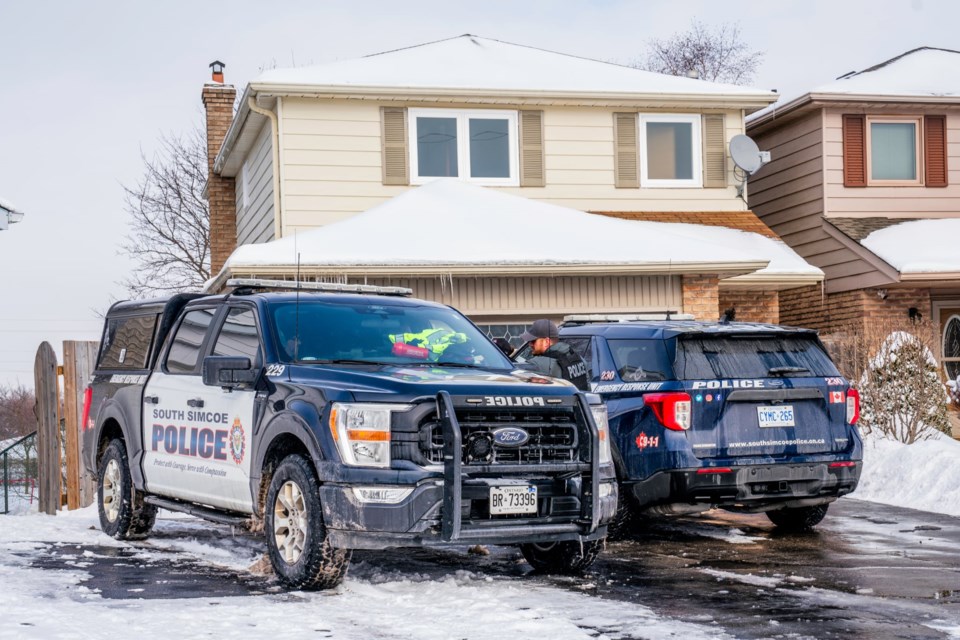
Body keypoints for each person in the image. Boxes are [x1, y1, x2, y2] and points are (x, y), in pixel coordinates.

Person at [521, 319, 589, 391]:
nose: (530, 344)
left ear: (546, 342)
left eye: (533, 341)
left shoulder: (536, 364)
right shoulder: (579, 359)